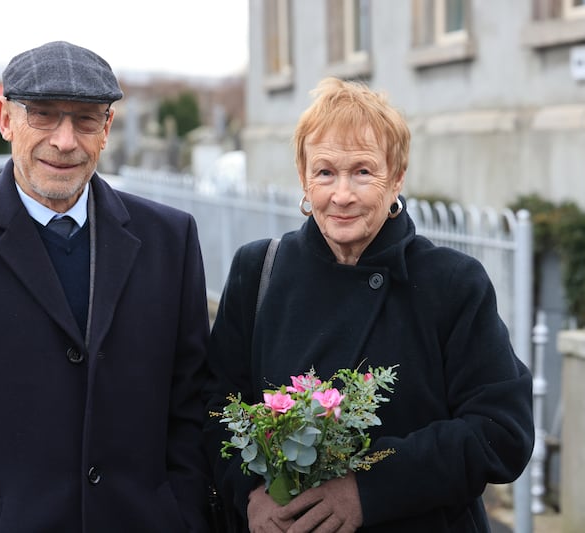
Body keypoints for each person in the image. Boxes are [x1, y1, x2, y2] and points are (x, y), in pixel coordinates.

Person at [0, 41, 211, 532]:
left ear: (107, 128)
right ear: (6, 119)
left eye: (86, 119)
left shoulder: (170, 240)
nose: (65, 140)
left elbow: (193, 404)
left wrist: (180, 515)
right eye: (43, 116)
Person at [203, 78, 534, 532]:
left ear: (396, 176)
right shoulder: (259, 271)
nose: (342, 195)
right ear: (303, 176)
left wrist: (367, 490)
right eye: (324, 172)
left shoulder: (451, 283)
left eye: (363, 171)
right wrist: (249, 499)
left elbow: (502, 433)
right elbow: (215, 409)